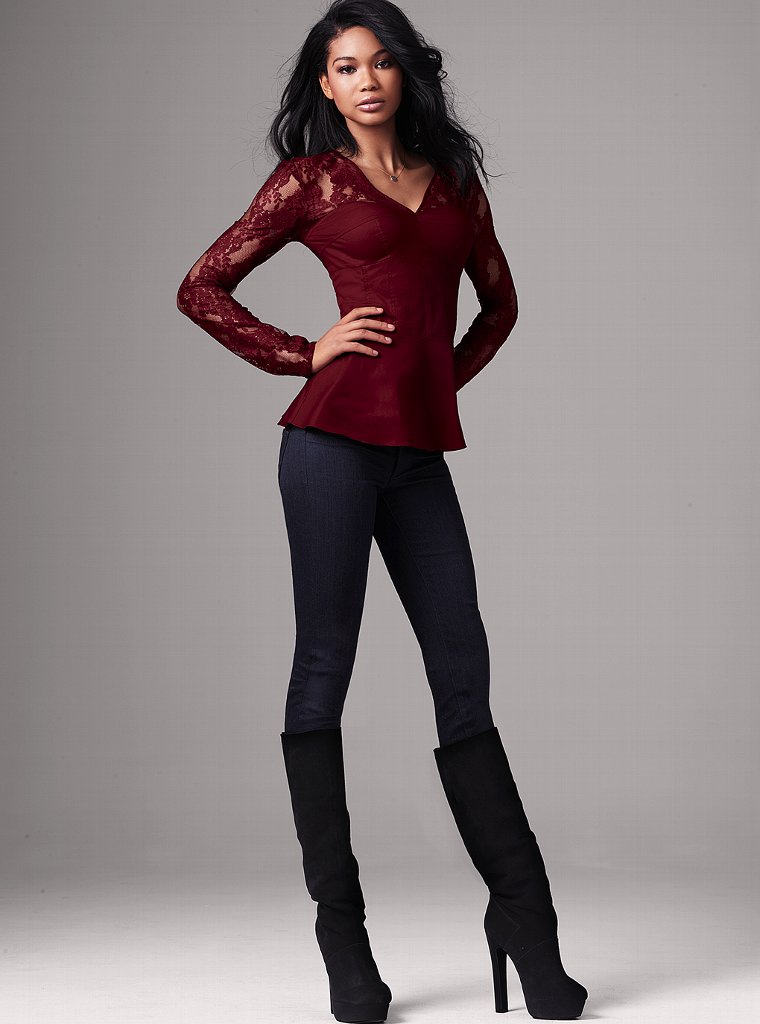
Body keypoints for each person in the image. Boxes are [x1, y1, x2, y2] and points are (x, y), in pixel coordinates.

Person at [176, 2, 588, 1021]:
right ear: (325, 85)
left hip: (417, 461)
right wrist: (302, 351)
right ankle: (344, 942)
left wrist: (433, 386)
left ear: (407, 73)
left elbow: (499, 303)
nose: (365, 81)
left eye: (380, 63)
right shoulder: (309, 182)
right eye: (345, 67)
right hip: (327, 450)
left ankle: (527, 924)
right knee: (324, 669)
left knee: (464, 676)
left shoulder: (453, 183)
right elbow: (202, 287)